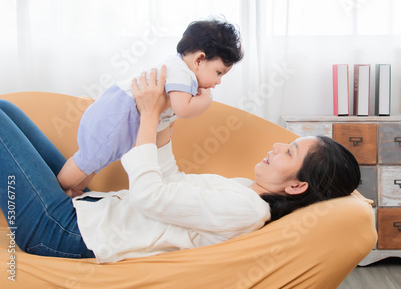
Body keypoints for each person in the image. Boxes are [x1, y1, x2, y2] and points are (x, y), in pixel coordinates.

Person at [0, 67, 360, 263]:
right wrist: (163, 122)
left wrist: (147, 115)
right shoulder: (242, 191)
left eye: (290, 152)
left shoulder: (244, 210)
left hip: (61, 231)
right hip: (88, 210)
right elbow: (171, 183)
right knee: (8, 111)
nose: (277, 146)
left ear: (297, 186)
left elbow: (149, 197)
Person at [57, 17, 244, 197]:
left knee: (95, 162)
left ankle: (74, 191)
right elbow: (182, 109)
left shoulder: (179, 69)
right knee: (86, 161)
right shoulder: (182, 74)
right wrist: (206, 100)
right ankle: (57, 192)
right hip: (116, 117)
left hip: (119, 117)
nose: (218, 81)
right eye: (218, 72)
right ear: (198, 60)